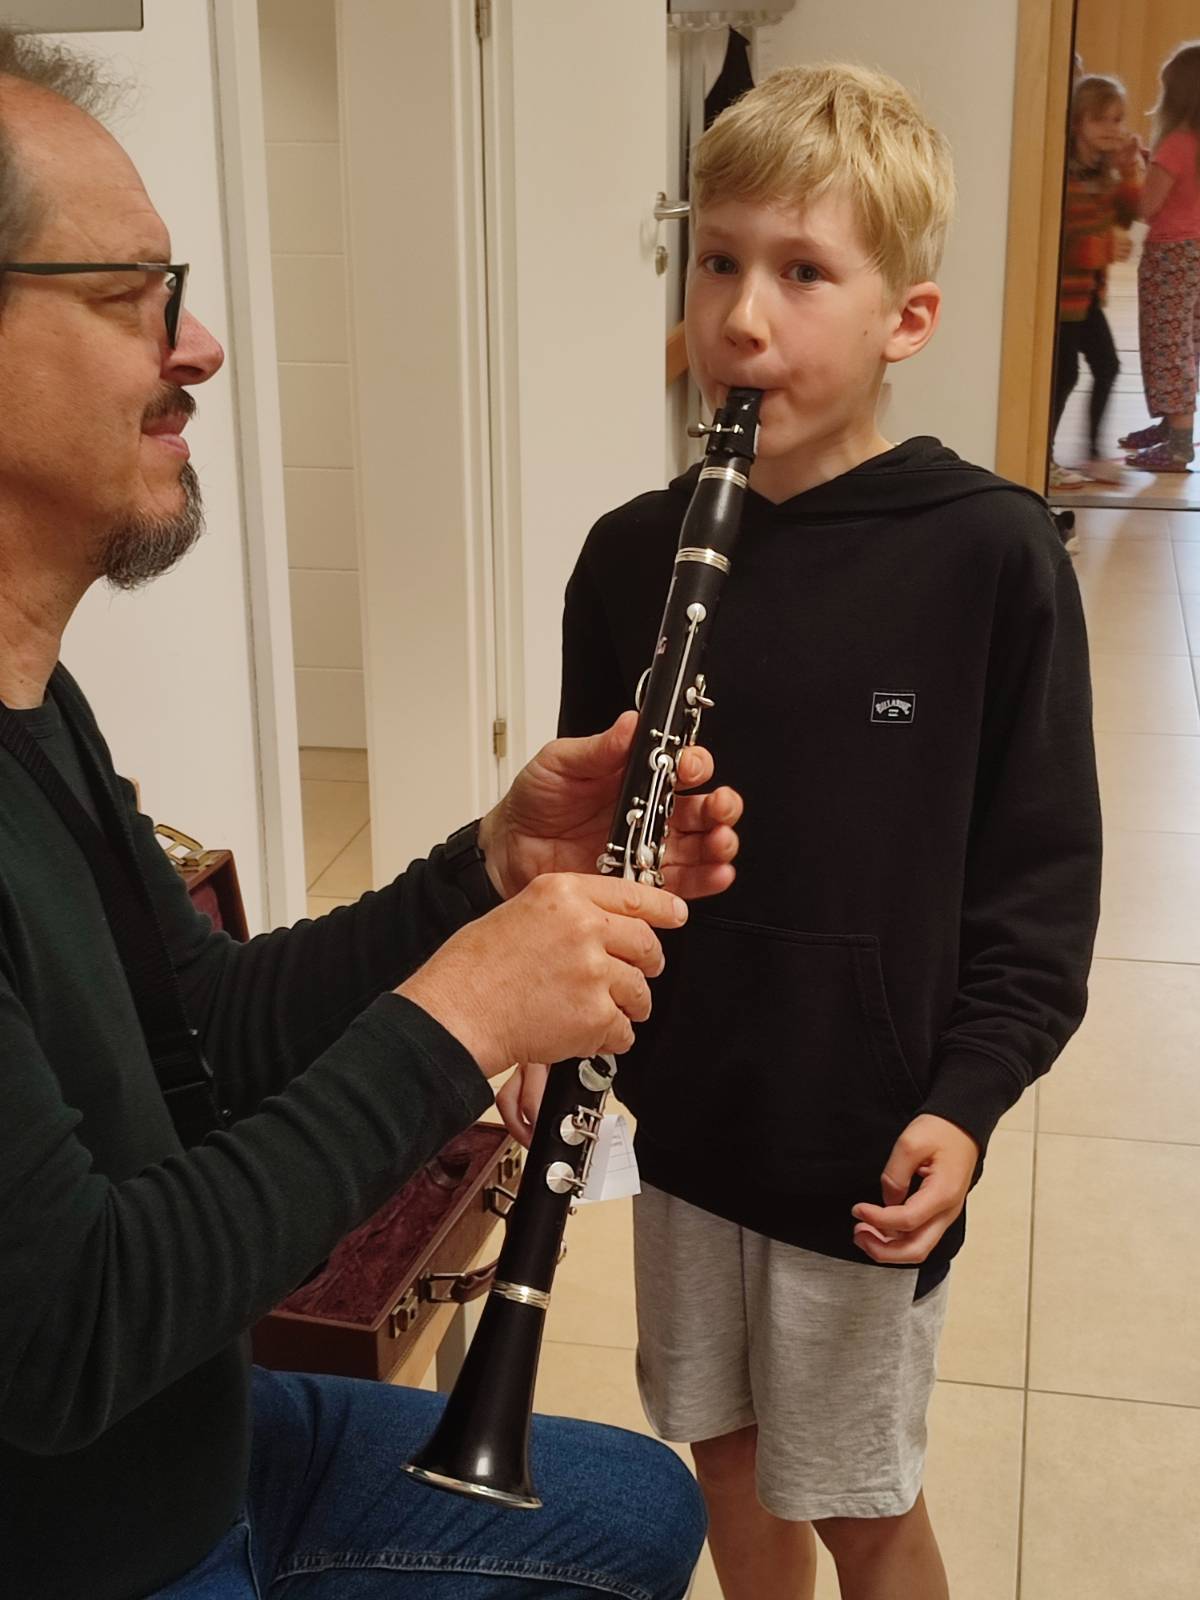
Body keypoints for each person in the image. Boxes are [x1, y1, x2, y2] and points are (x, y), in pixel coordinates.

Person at [0, 29, 745, 1600]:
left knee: (635, 1510)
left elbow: (206, 1030)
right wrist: (462, 1019)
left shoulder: (37, 702)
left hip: (190, 1435)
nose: (201, 347)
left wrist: (486, 874)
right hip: (82, 1540)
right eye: (135, 294)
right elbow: (75, 1332)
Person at [504, 64, 1102, 1600]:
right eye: (717, 261)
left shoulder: (989, 555)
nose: (742, 317)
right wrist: (538, 1021)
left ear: (909, 317)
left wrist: (970, 1097)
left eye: (802, 272)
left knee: (860, 1500)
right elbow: (588, 857)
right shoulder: (630, 556)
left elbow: (1040, 882)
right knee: (724, 1451)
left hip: (865, 1135)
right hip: (690, 1116)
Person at [1048, 74, 1142, 491]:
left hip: (1086, 298)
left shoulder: (1102, 173)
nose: (1112, 128)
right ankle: (1044, 456)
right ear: (1077, 123)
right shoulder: (1065, 178)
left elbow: (1126, 215)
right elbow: (1065, 242)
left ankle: (1093, 453)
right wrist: (1105, 247)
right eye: (1101, 119)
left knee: (1107, 366)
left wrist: (1130, 172)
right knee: (1064, 375)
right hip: (1062, 300)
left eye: (1118, 119)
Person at [1120, 40, 1200, 472]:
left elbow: (1146, 207)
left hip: (1171, 255)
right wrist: (1152, 162)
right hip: (1197, 252)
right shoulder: (1193, 145)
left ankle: (1180, 442)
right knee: (1187, 342)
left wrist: (1130, 172)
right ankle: (1173, 427)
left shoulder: (1177, 144)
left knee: (1166, 345)